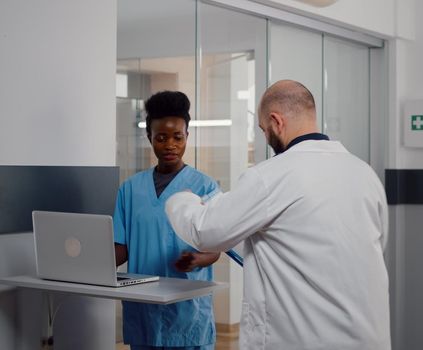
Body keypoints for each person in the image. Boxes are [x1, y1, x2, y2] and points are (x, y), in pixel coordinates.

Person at [165, 80, 391, 350]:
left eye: (263, 129)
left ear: (276, 121)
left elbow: (205, 231)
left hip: (301, 340)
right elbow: (365, 246)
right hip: (367, 338)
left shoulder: (270, 176)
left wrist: (181, 198)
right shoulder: (364, 173)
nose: (266, 137)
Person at [113, 90, 221, 350]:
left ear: (187, 136)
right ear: (149, 137)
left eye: (178, 137)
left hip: (187, 311)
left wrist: (196, 259)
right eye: (161, 138)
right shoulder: (130, 189)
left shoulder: (204, 186)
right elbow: (120, 250)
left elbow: (215, 249)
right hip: (143, 309)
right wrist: (81, 264)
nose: (170, 145)